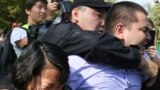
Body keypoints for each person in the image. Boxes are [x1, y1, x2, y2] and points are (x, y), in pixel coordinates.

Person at [43, 0, 158, 86]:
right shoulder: (60, 32)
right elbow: (95, 44)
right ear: (76, 14)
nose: (104, 23)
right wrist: (141, 62)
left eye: (106, 17)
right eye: (98, 15)